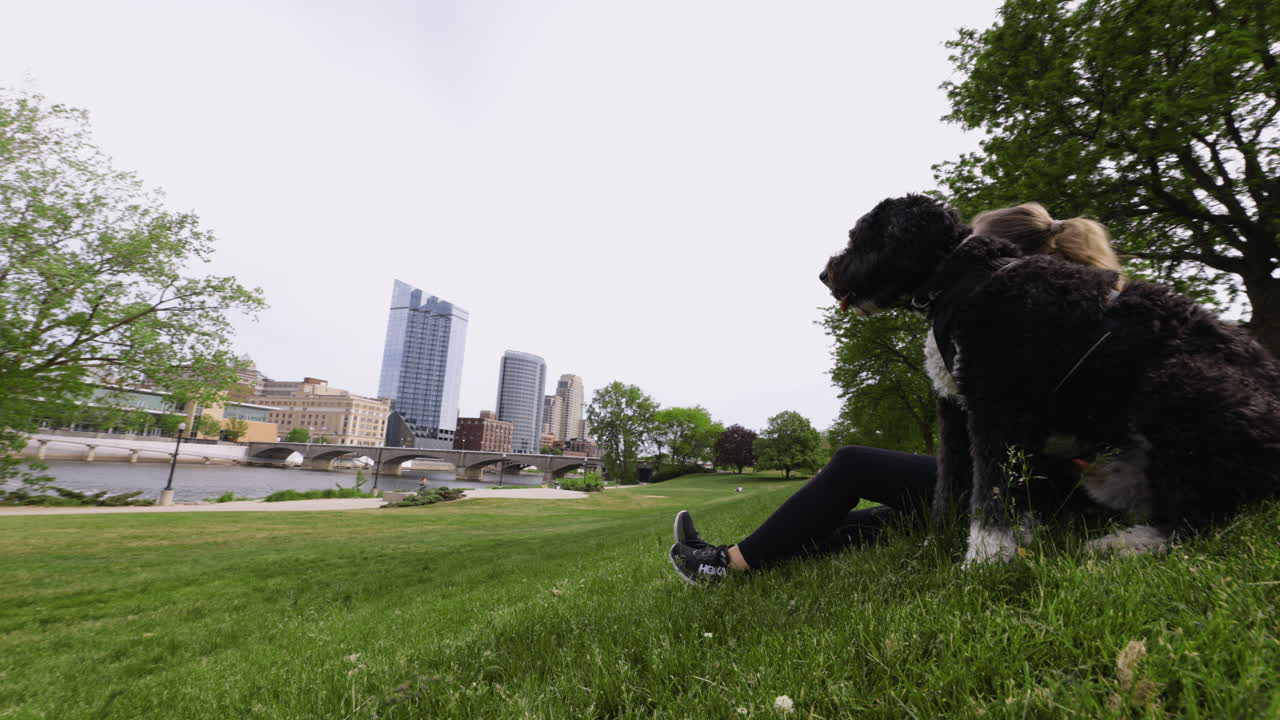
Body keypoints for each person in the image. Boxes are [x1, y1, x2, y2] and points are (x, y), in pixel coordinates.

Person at [669, 203, 1124, 584]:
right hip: (1055, 482)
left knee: (854, 465)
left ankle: (726, 566)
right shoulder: (1065, 303)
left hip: (1057, 486)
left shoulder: (1017, 309)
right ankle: (735, 556)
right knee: (882, 517)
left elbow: (1004, 433)